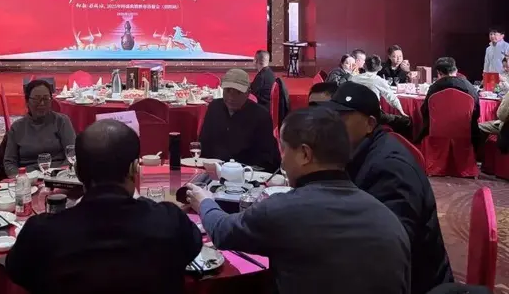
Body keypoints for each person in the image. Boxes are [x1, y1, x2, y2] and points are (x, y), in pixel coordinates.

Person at [186, 107, 410, 294]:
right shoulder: (388, 219)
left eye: (284, 151)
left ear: (305, 154)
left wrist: (204, 201)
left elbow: (223, 232)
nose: (282, 162)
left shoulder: (283, 210)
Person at [6, 119, 203, 294]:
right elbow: (192, 251)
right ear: (134, 168)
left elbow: (17, 272)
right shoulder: (169, 221)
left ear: (77, 171)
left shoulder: (41, 232)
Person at [320, 82, 454, 294]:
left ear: (370, 124)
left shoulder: (390, 169)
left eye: (341, 118)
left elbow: (390, 246)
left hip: (412, 283)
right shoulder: (359, 152)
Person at [199, 69, 281, 172]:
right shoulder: (214, 108)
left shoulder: (260, 115)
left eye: (238, 92)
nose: (231, 97)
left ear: (248, 93)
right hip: (214, 171)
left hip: (248, 173)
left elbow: (265, 158)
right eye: (228, 90)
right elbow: (204, 144)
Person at [4, 79, 76, 177]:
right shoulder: (17, 127)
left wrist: (58, 174)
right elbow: (9, 163)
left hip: (58, 175)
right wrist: (20, 178)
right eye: (37, 99)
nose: (42, 103)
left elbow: (72, 153)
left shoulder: (61, 121)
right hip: (28, 177)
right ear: (27, 101)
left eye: (46, 99)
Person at [416, 57, 480, 149]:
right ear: (456, 70)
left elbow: (425, 110)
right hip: (466, 132)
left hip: (437, 132)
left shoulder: (434, 88)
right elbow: (476, 112)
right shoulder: (468, 86)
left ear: (439, 73)